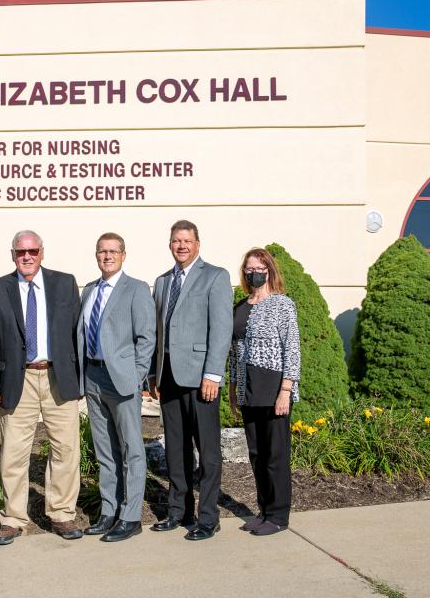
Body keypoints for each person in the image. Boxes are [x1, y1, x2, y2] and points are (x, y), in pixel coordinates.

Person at [0, 230, 83, 544]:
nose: (27, 256)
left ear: (41, 252)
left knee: (66, 450)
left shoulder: (65, 283)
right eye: (21, 252)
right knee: (13, 452)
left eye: (33, 251)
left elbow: (78, 333)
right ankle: (12, 518)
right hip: (16, 379)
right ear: (13, 254)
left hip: (58, 378)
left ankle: (62, 514)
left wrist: (79, 378)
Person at [149, 220, 232, 541]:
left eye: (186, 240)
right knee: (176, 449)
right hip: (168, 376)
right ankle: (178, 511)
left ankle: (208, 517)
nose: (181, 246)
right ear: (170, 244)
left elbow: (221, 329)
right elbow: (159, 332)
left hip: (201, 378)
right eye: (175, 241)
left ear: (198, 243)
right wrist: (154, 372)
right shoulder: (163, 280)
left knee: (207, 451)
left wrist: (213, 373)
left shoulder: (215, 276)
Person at [77, 232, 156, 542]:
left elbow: (146, 338)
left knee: (131, 449)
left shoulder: (136, 289)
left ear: (124, 255)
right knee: (104, 449)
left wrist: (137, 376)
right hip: (94, 378)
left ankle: (131, 515)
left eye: (113, 251)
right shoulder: (89, 290)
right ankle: (109, 510)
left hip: (122, 380)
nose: (107, 256)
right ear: (96, 255)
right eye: (102, 251)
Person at [228, 248, 300, 536]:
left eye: (258, 268)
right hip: (248, 388)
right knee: (257, 454)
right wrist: (233, 388)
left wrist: (286, 389)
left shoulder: (283, 305)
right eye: (248, 269)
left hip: (274, 387)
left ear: (269, 270)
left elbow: (292, 349)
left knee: (275, 455)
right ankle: (264, 510)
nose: (252, 272)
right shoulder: (240, 307)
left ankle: (279, 515)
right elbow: (234, 351)